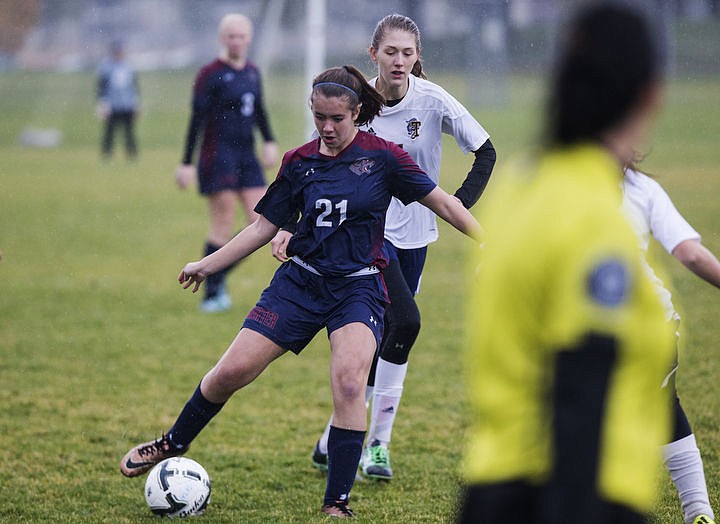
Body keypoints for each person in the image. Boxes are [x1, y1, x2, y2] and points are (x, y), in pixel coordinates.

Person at [120, 65, 481, 519]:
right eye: (319, 117)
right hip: (300, 284)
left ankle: (337, 503)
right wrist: (206, 265)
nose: (327, 128)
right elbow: (261, 229)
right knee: (231, 372)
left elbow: (445, 203)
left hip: (358, 288)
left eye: (337, 119)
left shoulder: (385, 157)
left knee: (350, 381)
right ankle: (171, 442)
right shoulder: (299, 162)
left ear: (357, 113)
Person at [458, 3, 676, 523]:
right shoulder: (594, 219)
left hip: (494, 484)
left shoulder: (522, 183)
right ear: (651, 95)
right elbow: (581, 392)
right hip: (572, 497)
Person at [272, 13, 496, 480]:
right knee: (406, 322)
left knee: (383, 338)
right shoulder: (356, 105)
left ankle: (332, 439)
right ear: (373, 54)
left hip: (415, 238)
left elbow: (486, 150)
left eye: (408, 53)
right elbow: (314, 163)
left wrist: (456, 203)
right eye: (390, 51)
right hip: (367, 239)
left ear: (418, 58)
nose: (399, 61)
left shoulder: (433, 101)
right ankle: (377, 445)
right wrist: (289, 224)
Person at [622, 163, 720, 524]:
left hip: (592, 330)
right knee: (665, 410)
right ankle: (699, 512)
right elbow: (690, 253)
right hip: (656, 323)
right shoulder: (642, 187)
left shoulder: (559, 184)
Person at [174, 13, 279, 313]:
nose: (236, 41)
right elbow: (196, 119)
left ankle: (212, 274)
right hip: (217, 156)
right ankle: (212, 292)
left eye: (241, 36)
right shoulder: (210, 73)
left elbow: (259, 111)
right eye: (231, 36)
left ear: (249, 39)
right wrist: (186, 163)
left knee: (262, 223)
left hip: (247, 157)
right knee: (221, 225)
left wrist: (269, 141)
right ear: (223, 39)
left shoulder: (252, 72)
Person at [96, 40, 140, 160]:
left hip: (126, 104)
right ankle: (107, 154)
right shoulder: (106, 67)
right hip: (112, 105)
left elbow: (134, 87)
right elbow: (101, 86)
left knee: (129, 132)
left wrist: (136, 104)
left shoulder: (128, 67)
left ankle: (131, 154)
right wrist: (102, 103)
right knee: (109, 132)